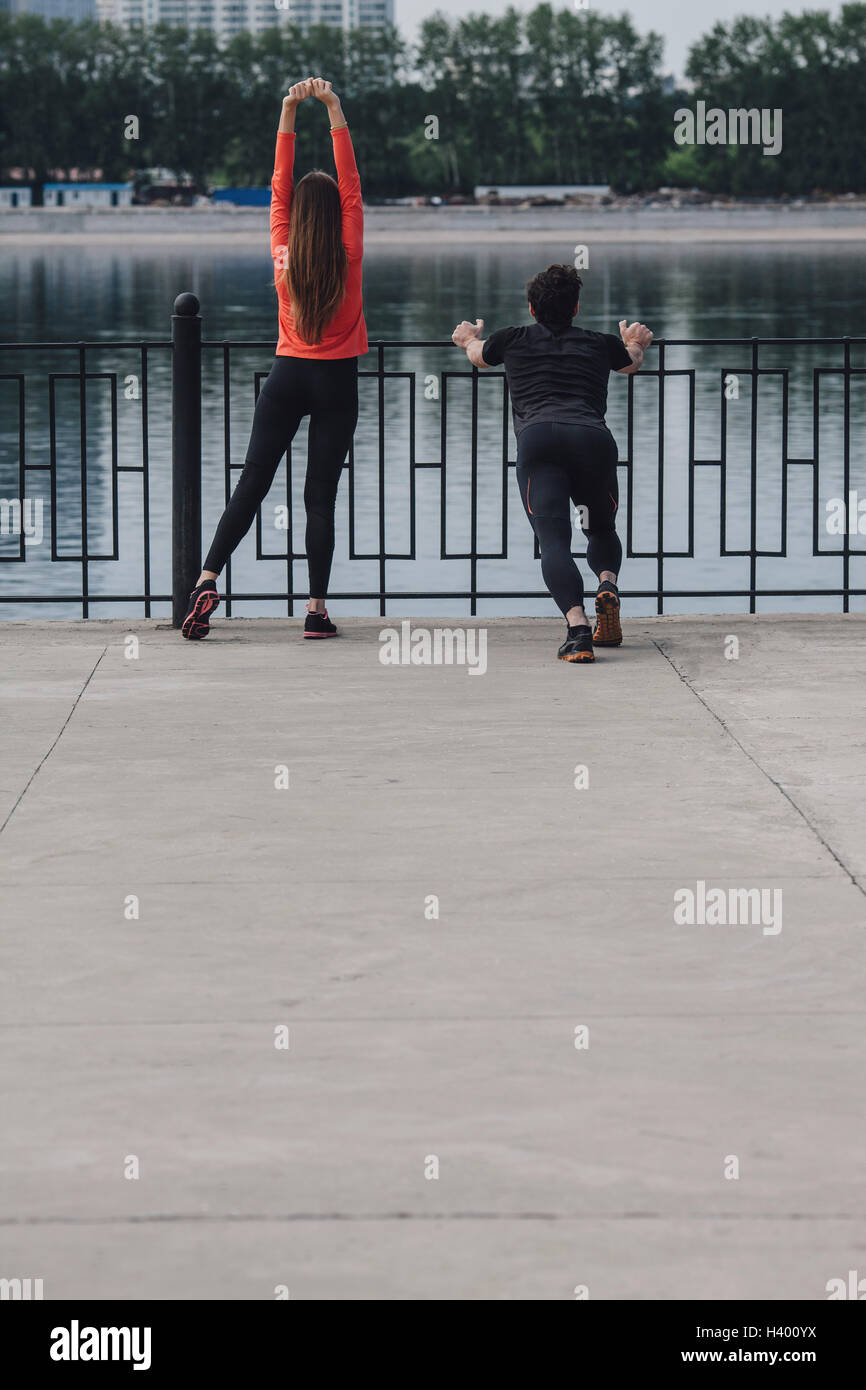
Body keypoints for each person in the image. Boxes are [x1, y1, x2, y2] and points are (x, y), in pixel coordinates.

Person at [182, 77, 366, 640]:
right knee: (319, 498)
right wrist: (334, 108)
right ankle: (314, 611)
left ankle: (206, 581)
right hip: (336, 382)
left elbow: (278, 189)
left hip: (286, 376)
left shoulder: (283, 249)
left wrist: (288, 111)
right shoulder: (349, 250)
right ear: (336, 213)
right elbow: (352, 187)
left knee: (252, 484)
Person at [452, 264, 652, 663]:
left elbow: (478, 356)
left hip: (539, 441)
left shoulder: (512, 339)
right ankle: (607, 586)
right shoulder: (598, 343)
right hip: (592, 440)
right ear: (575, 308)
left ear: (531, 308)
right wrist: (635, 342)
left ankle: (578, 631)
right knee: (601, 527)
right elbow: (630, 363)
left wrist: (467, 339)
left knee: (554, 541)